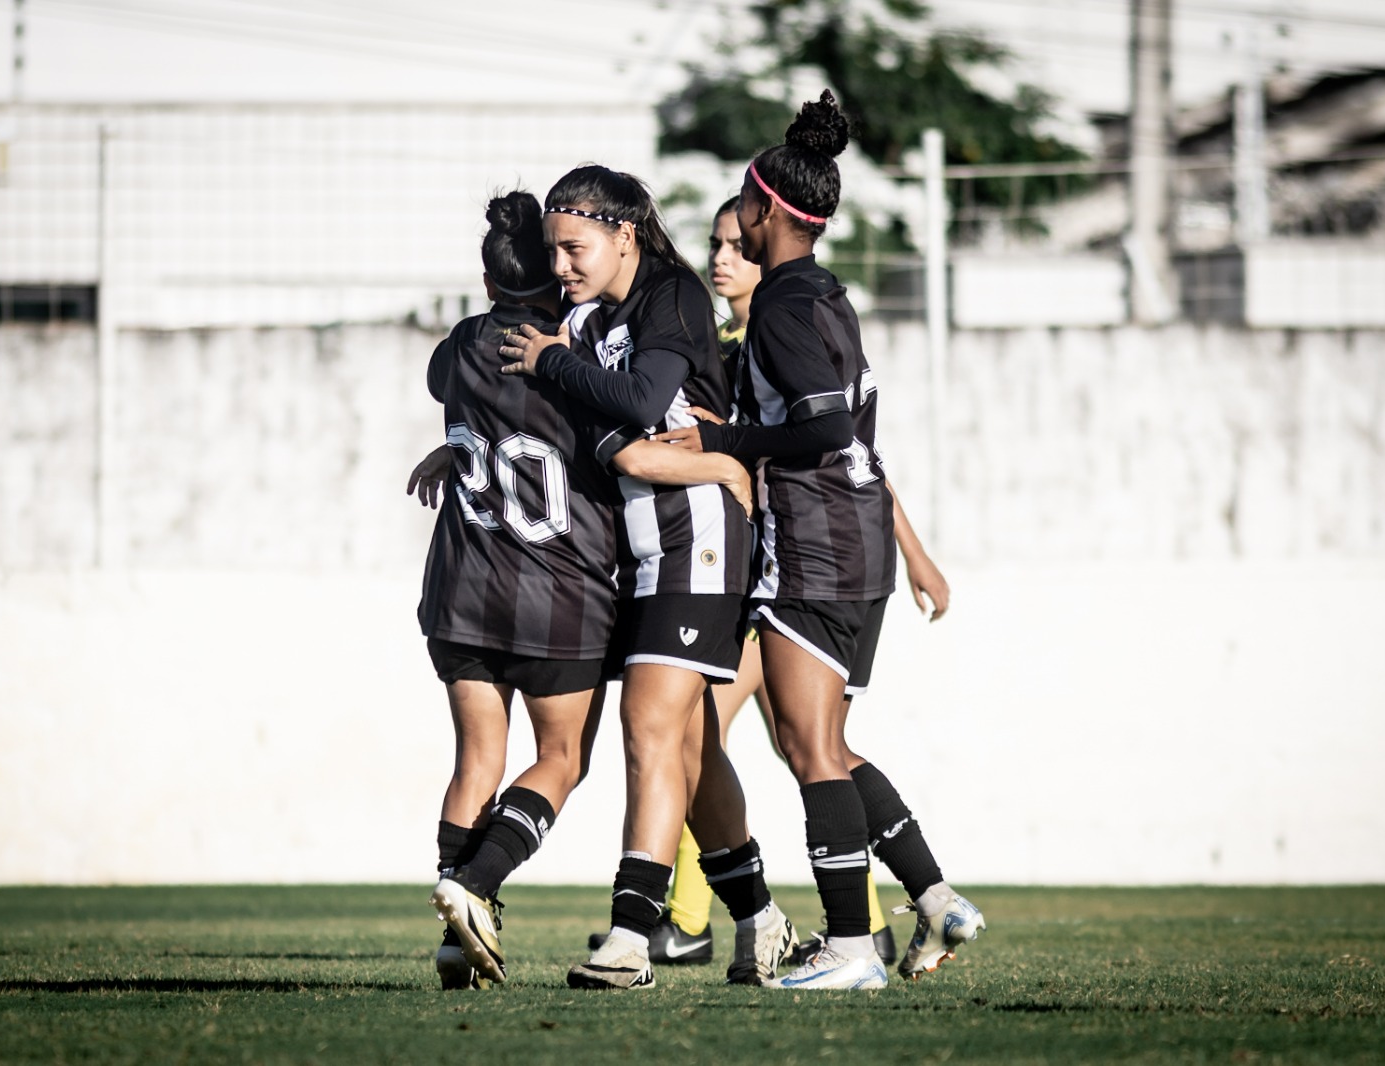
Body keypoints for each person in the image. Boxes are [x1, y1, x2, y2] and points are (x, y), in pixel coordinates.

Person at [655, 92, 985, 990]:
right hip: (850, 545)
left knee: (807, 749)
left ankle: (848, 948)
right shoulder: (821, 294)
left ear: (765, 210)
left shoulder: (787, 310)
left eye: (739, 212)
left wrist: (724, 440)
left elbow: (828, 429)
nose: (732, 233)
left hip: (819, 548)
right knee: (825, 745)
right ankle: (930, 895)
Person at [499, 165, 798, 990]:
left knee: (648, 725)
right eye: (554, 251)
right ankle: (764, 921)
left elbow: (642, 396)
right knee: (690, 745)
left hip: (698, 532)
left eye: (575, 248)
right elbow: (598, 429)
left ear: (623, 234)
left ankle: (632, 938)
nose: (561, 266)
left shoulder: (669, 294)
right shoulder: (583, 314)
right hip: (634, 549)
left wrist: (560, 365)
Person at [416, 190, 622, 991]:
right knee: (562, 759)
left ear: (486, 275)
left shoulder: (460, 346)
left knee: (477, 760)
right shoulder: (577, 352)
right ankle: (474, 885)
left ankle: (453, 936)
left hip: (463, 588)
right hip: (556, 595)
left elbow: (452, 392)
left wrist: (454, 451)